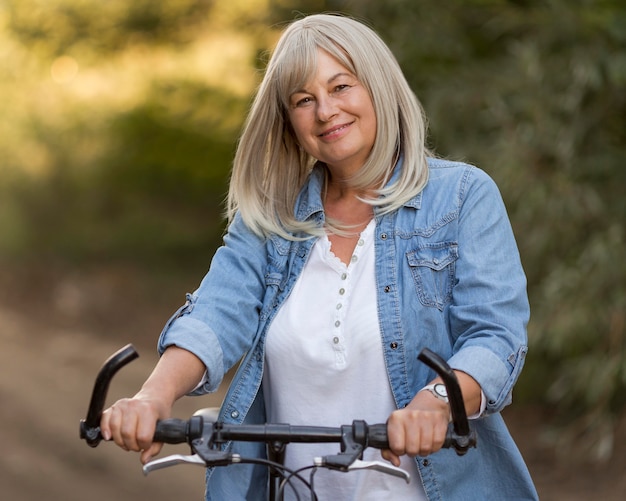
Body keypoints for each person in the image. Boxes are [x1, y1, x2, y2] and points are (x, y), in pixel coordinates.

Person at [101, 13, 539, 501]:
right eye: (303, 100)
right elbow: (216, 312)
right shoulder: (272, 216)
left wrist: (435, 403)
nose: (326, 111)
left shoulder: (461, 197)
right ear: (290, 121)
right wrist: (152, 396)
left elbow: (495, 336)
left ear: (378, 87)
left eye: (341, 87)